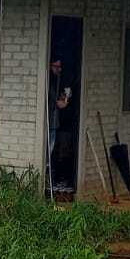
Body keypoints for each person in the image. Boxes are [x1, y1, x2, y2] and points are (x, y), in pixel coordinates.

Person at [47, 58, 74, 192]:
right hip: (49, 121)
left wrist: (65, 97)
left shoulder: (61, 80)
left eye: (60, 67)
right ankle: (49, 181)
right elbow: (57, 102)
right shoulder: (48, 81)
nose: (59, 69)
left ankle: (56, 181)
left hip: (57, 123)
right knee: (49, 152)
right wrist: (61, 101)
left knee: (55, 153)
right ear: (50, 66)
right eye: (56, 67)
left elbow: (64, 97)